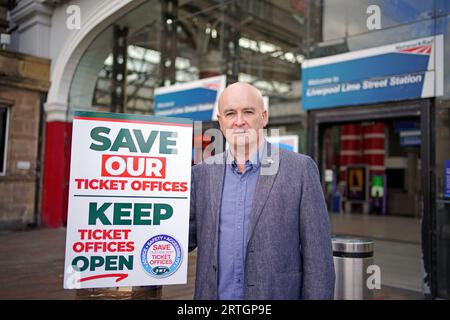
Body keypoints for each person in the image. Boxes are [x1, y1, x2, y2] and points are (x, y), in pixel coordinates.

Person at [189, 82, 335, 300]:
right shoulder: (201, 175)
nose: (239, 121)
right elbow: (181, 240)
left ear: (264, 117)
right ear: (220, 122)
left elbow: (319, 258)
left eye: (248, 111)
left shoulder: (300, 170)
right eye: (230, 113)